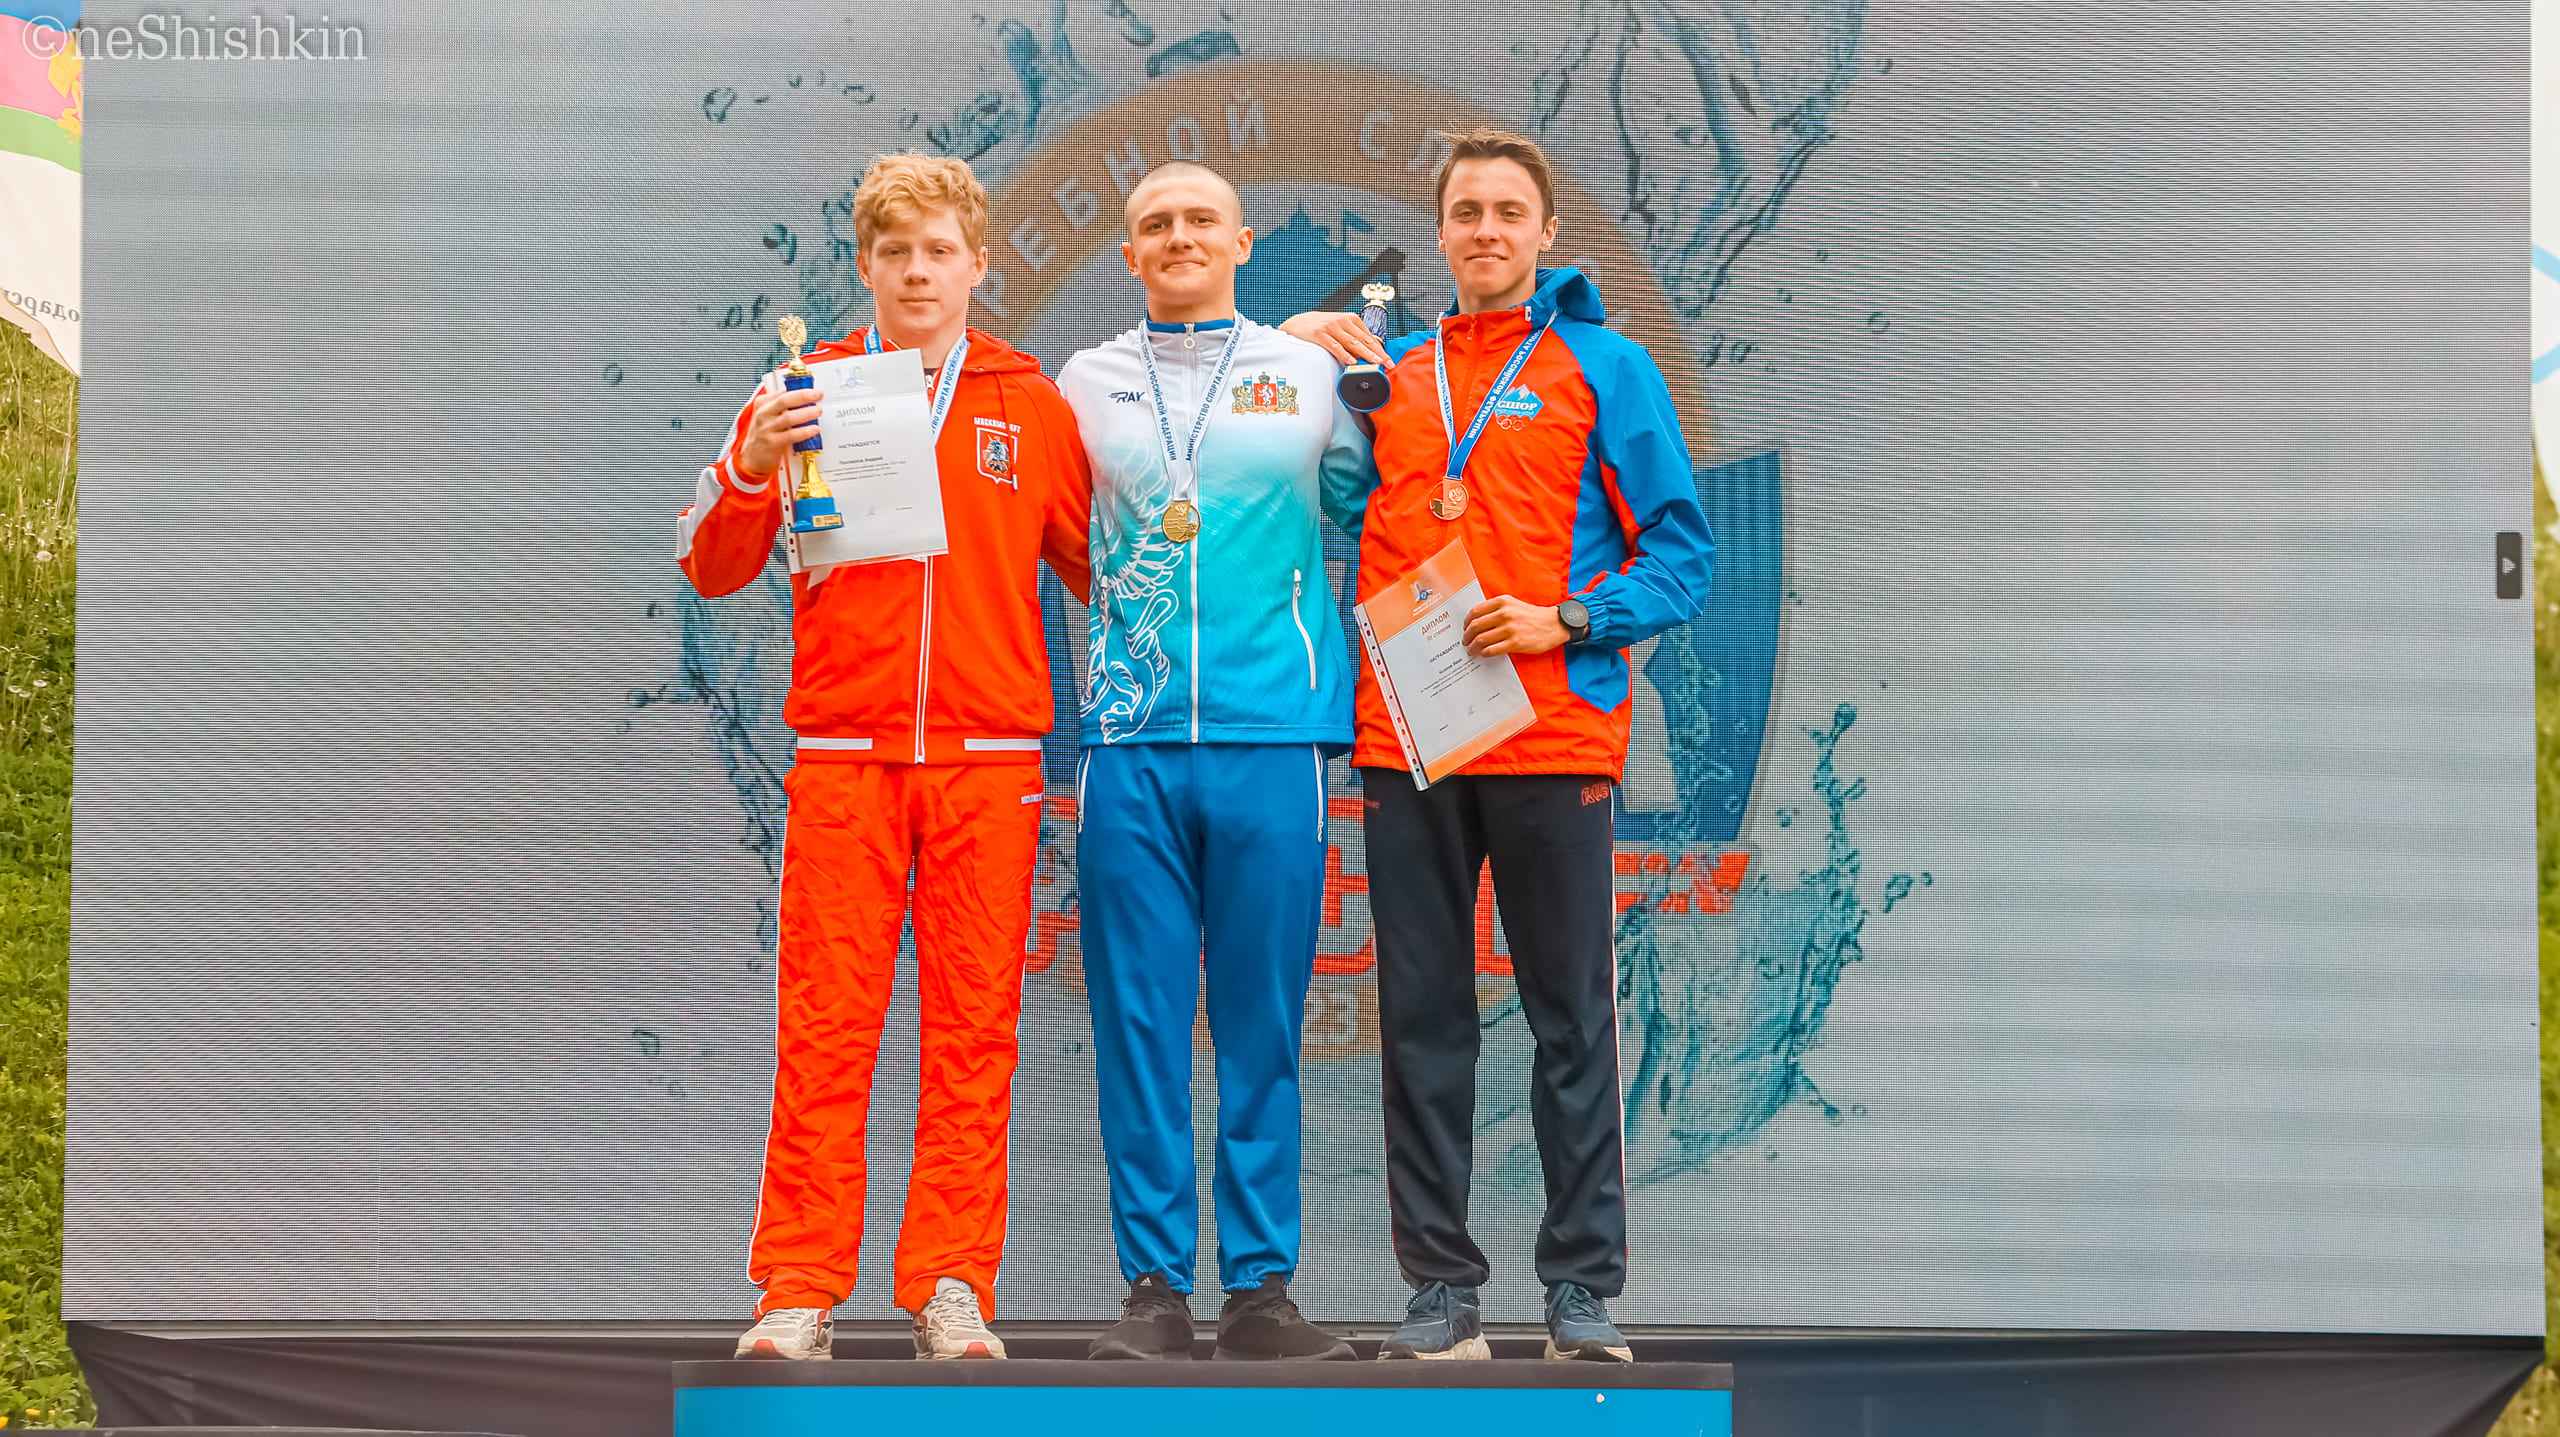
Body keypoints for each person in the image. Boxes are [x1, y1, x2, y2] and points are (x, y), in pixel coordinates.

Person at [1284, 128, 1713, 1363]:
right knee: (1422, 1022)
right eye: (1465, 211)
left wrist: (1565, 618)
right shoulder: (1392, 374)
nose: (1485, 230)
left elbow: (1680, 554)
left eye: (1507, 212)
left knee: (1570, 1020)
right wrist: (1293, 344)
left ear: (1543, 232)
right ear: (1440, 232)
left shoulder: (1603, 364)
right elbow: (1306, 481)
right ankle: (1441, 1293)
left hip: (1552, 739)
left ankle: (1580, 1293)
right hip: (1408, 738)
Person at [677, 152, 1092, 1362]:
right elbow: (709, 564)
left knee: (975, 1033)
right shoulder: (803, 392)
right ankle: (798, 1287)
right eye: (895, 251)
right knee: (824, 1028)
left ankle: (951, 1284)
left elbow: (1106, 571)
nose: (918, 271)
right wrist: (751, 464)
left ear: (977, 265)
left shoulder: (1031, 404)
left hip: (989, 762)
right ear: (865, 265)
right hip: (846, 757)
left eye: (938, 251)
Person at [1055, 159, 1373, 1362]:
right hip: (1129, 743)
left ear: (1241, 242)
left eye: (1199, 220)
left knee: (1261, 1026)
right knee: (1138, 1023)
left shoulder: (1308, 372)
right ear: (1129, 254)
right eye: (1155, 225)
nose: (1178, 236)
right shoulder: (1080, 383)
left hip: (1271, 735)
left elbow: (1378, 507)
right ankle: (1152, 1290)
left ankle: (1259, 1290)